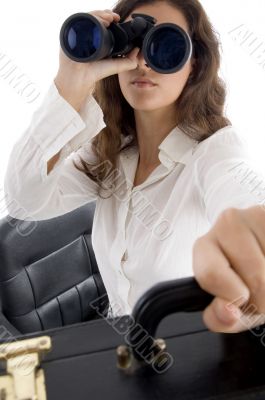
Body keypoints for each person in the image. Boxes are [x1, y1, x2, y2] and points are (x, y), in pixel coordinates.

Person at [3, 0, 265, 332]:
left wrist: (252, 232)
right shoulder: (111, 151)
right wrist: (71, 84)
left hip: (191, 365)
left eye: (165, 45)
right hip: (123, 355)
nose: (142, 61)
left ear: (194, 65)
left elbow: (241, 193)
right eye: (130, 43)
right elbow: (24, 200)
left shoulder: (214, 153)